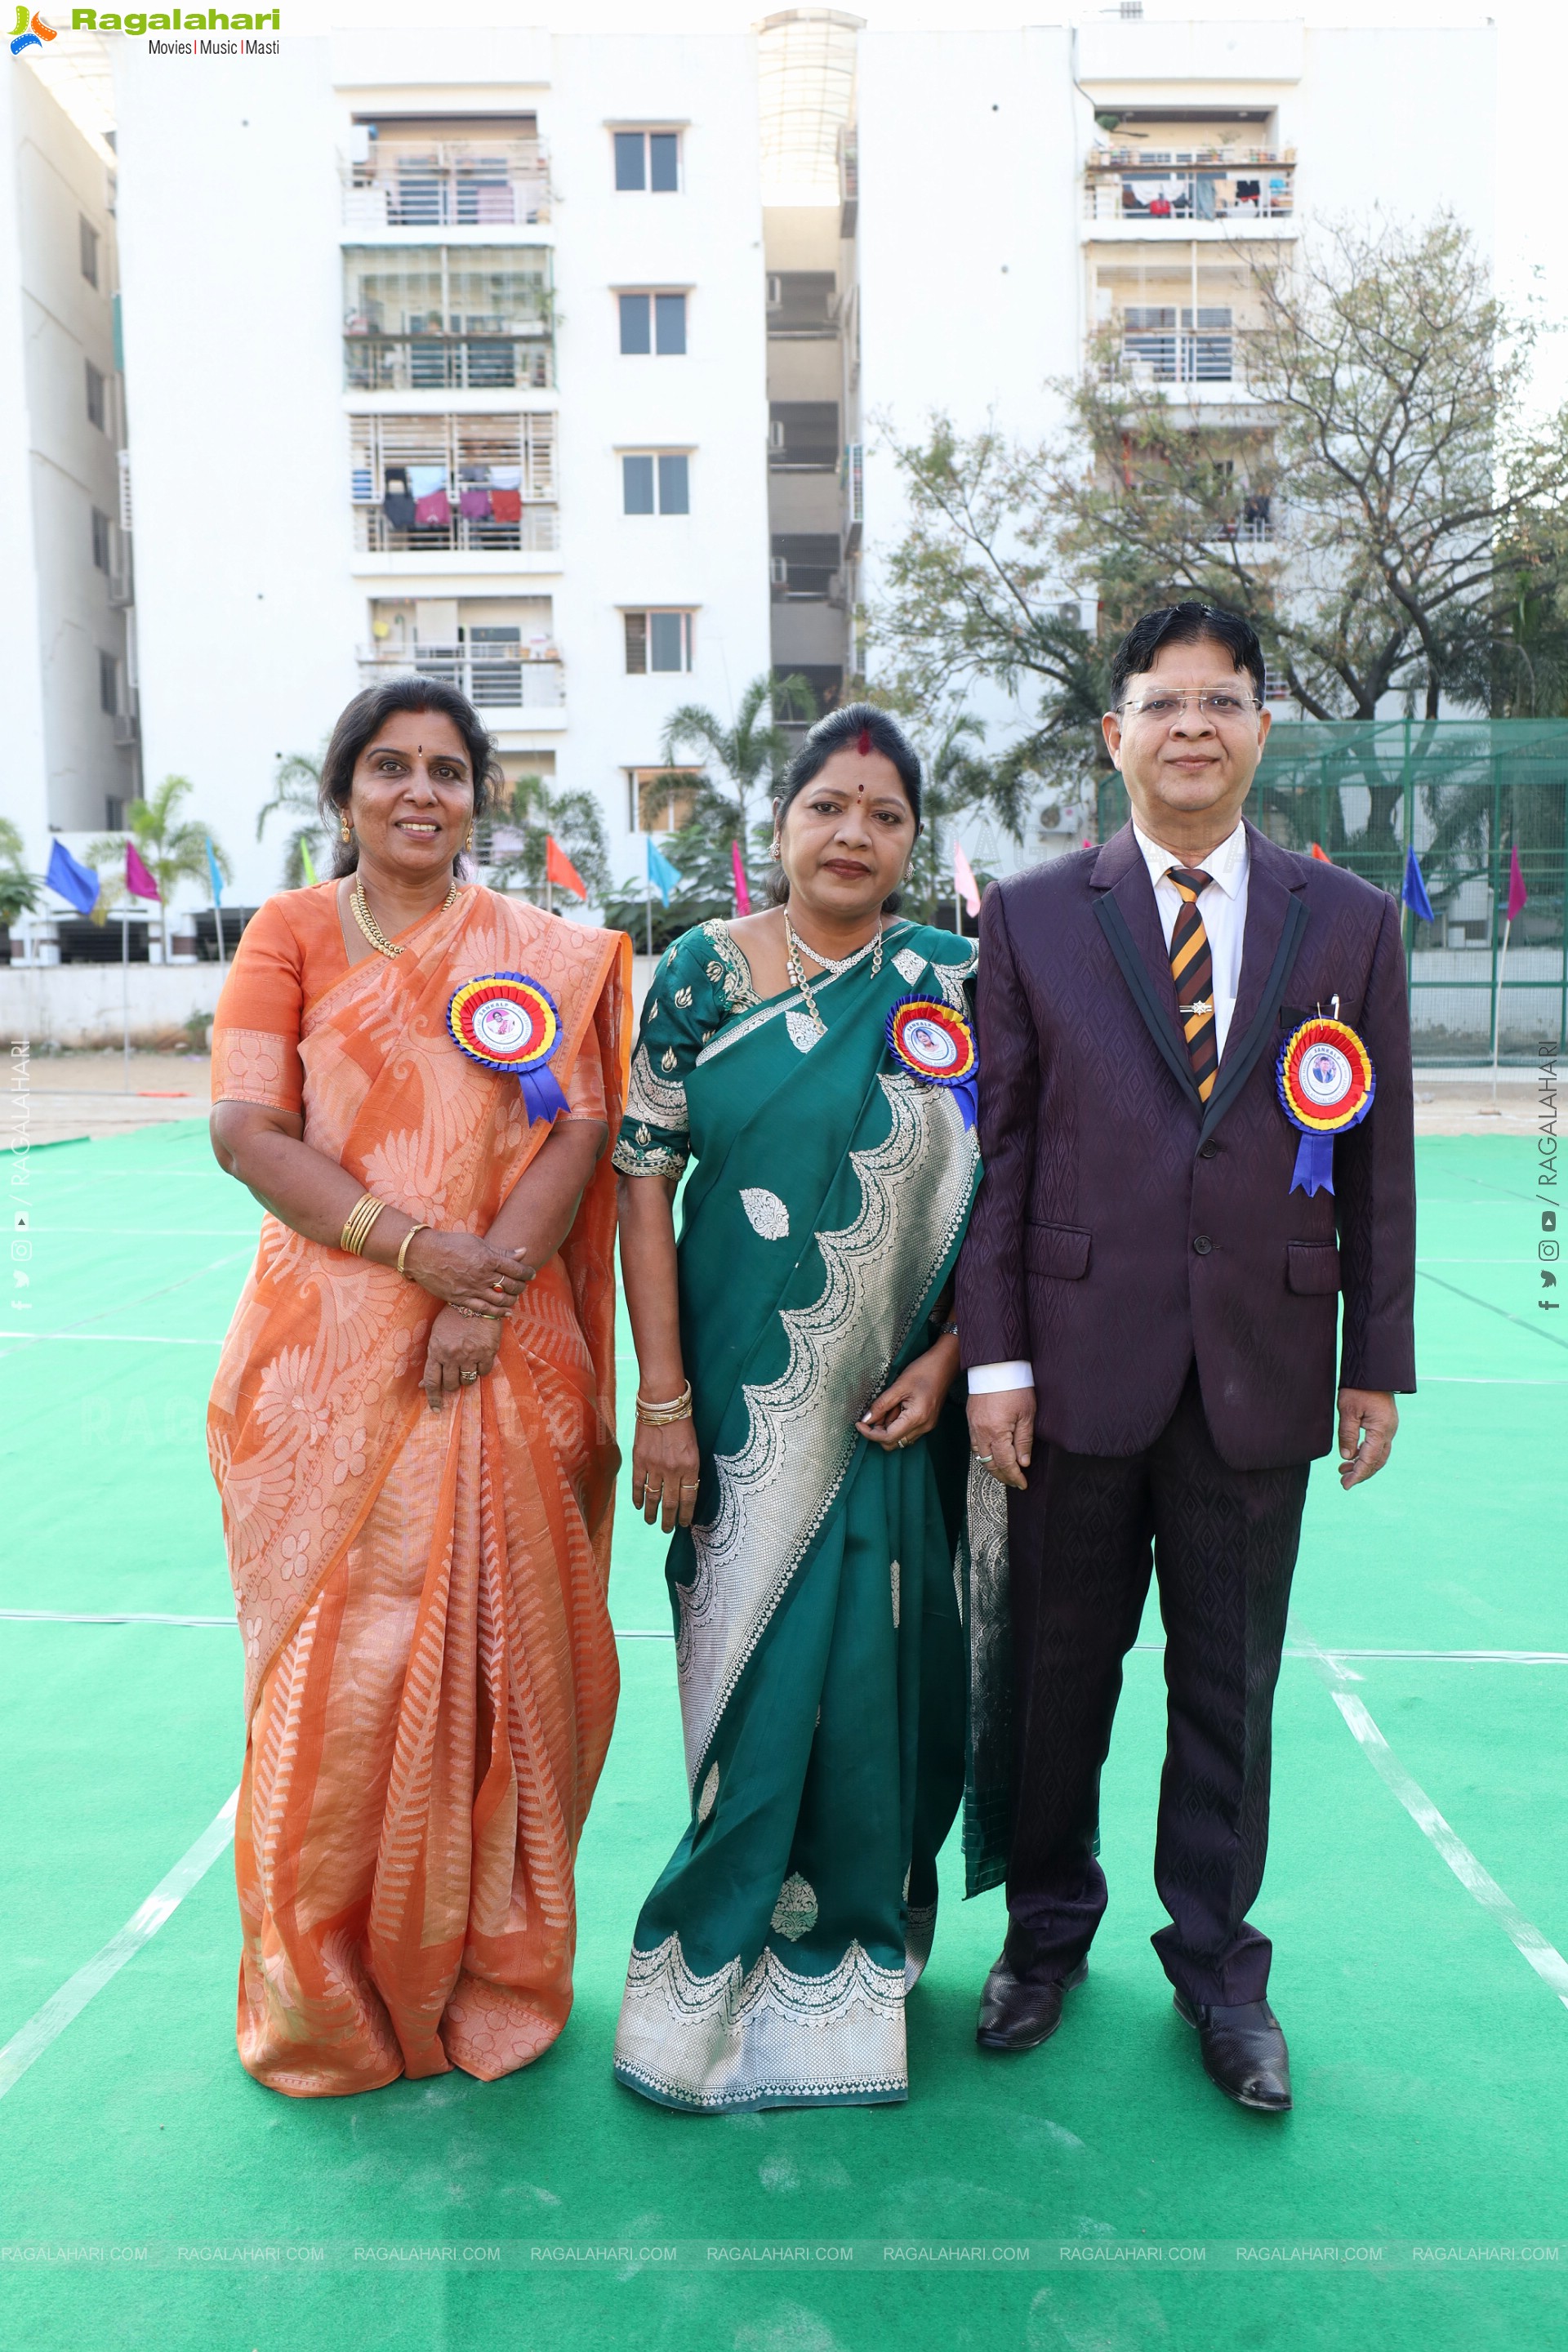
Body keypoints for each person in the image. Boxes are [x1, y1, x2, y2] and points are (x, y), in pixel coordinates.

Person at [959, 602, 1415, 2113]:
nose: (1194, 727)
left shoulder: (1342, 920)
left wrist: (1375, 1359)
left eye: (1224, 701)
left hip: (1261, 1371)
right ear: (1117, 736)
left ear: (1263, 731)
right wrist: (996, 1360)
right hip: (1074, 1368)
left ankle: (1222, 1972)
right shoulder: (1029, 916)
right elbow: (1002, 1158)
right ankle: (1045, 1932)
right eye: (1164, 703)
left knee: (1230, 1682)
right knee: (1057, 1674)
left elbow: (1378, 1161)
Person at [206, 677, 630, 2096]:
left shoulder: (543, 955)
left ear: (477, 799)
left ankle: (483, 1973)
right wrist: (418, 1255)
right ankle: (328, 1996)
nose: (418, 793)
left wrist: (487, 1288)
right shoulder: (292, 935)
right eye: (389, 768)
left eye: (447, 771)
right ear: (344, 796)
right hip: (326, 1359)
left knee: (505, 1680)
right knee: (339, 1689)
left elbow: (577, 1128)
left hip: (499, 1357)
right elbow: (247, 1130)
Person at [612, 705, 982, 2112]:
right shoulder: (704, 974)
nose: (854, 836)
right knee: (746, 1683)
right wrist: (662, 1399)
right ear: (777, 827)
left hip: (890, 1409)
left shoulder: (947, 978)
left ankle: (846, 1983)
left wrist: (952, 1360)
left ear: (911, 842)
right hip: (729, 1398)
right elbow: (643, 1182)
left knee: (874, 1685)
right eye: (828, 806)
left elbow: (987, 1197)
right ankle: (707, 1983)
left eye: (884, 816)